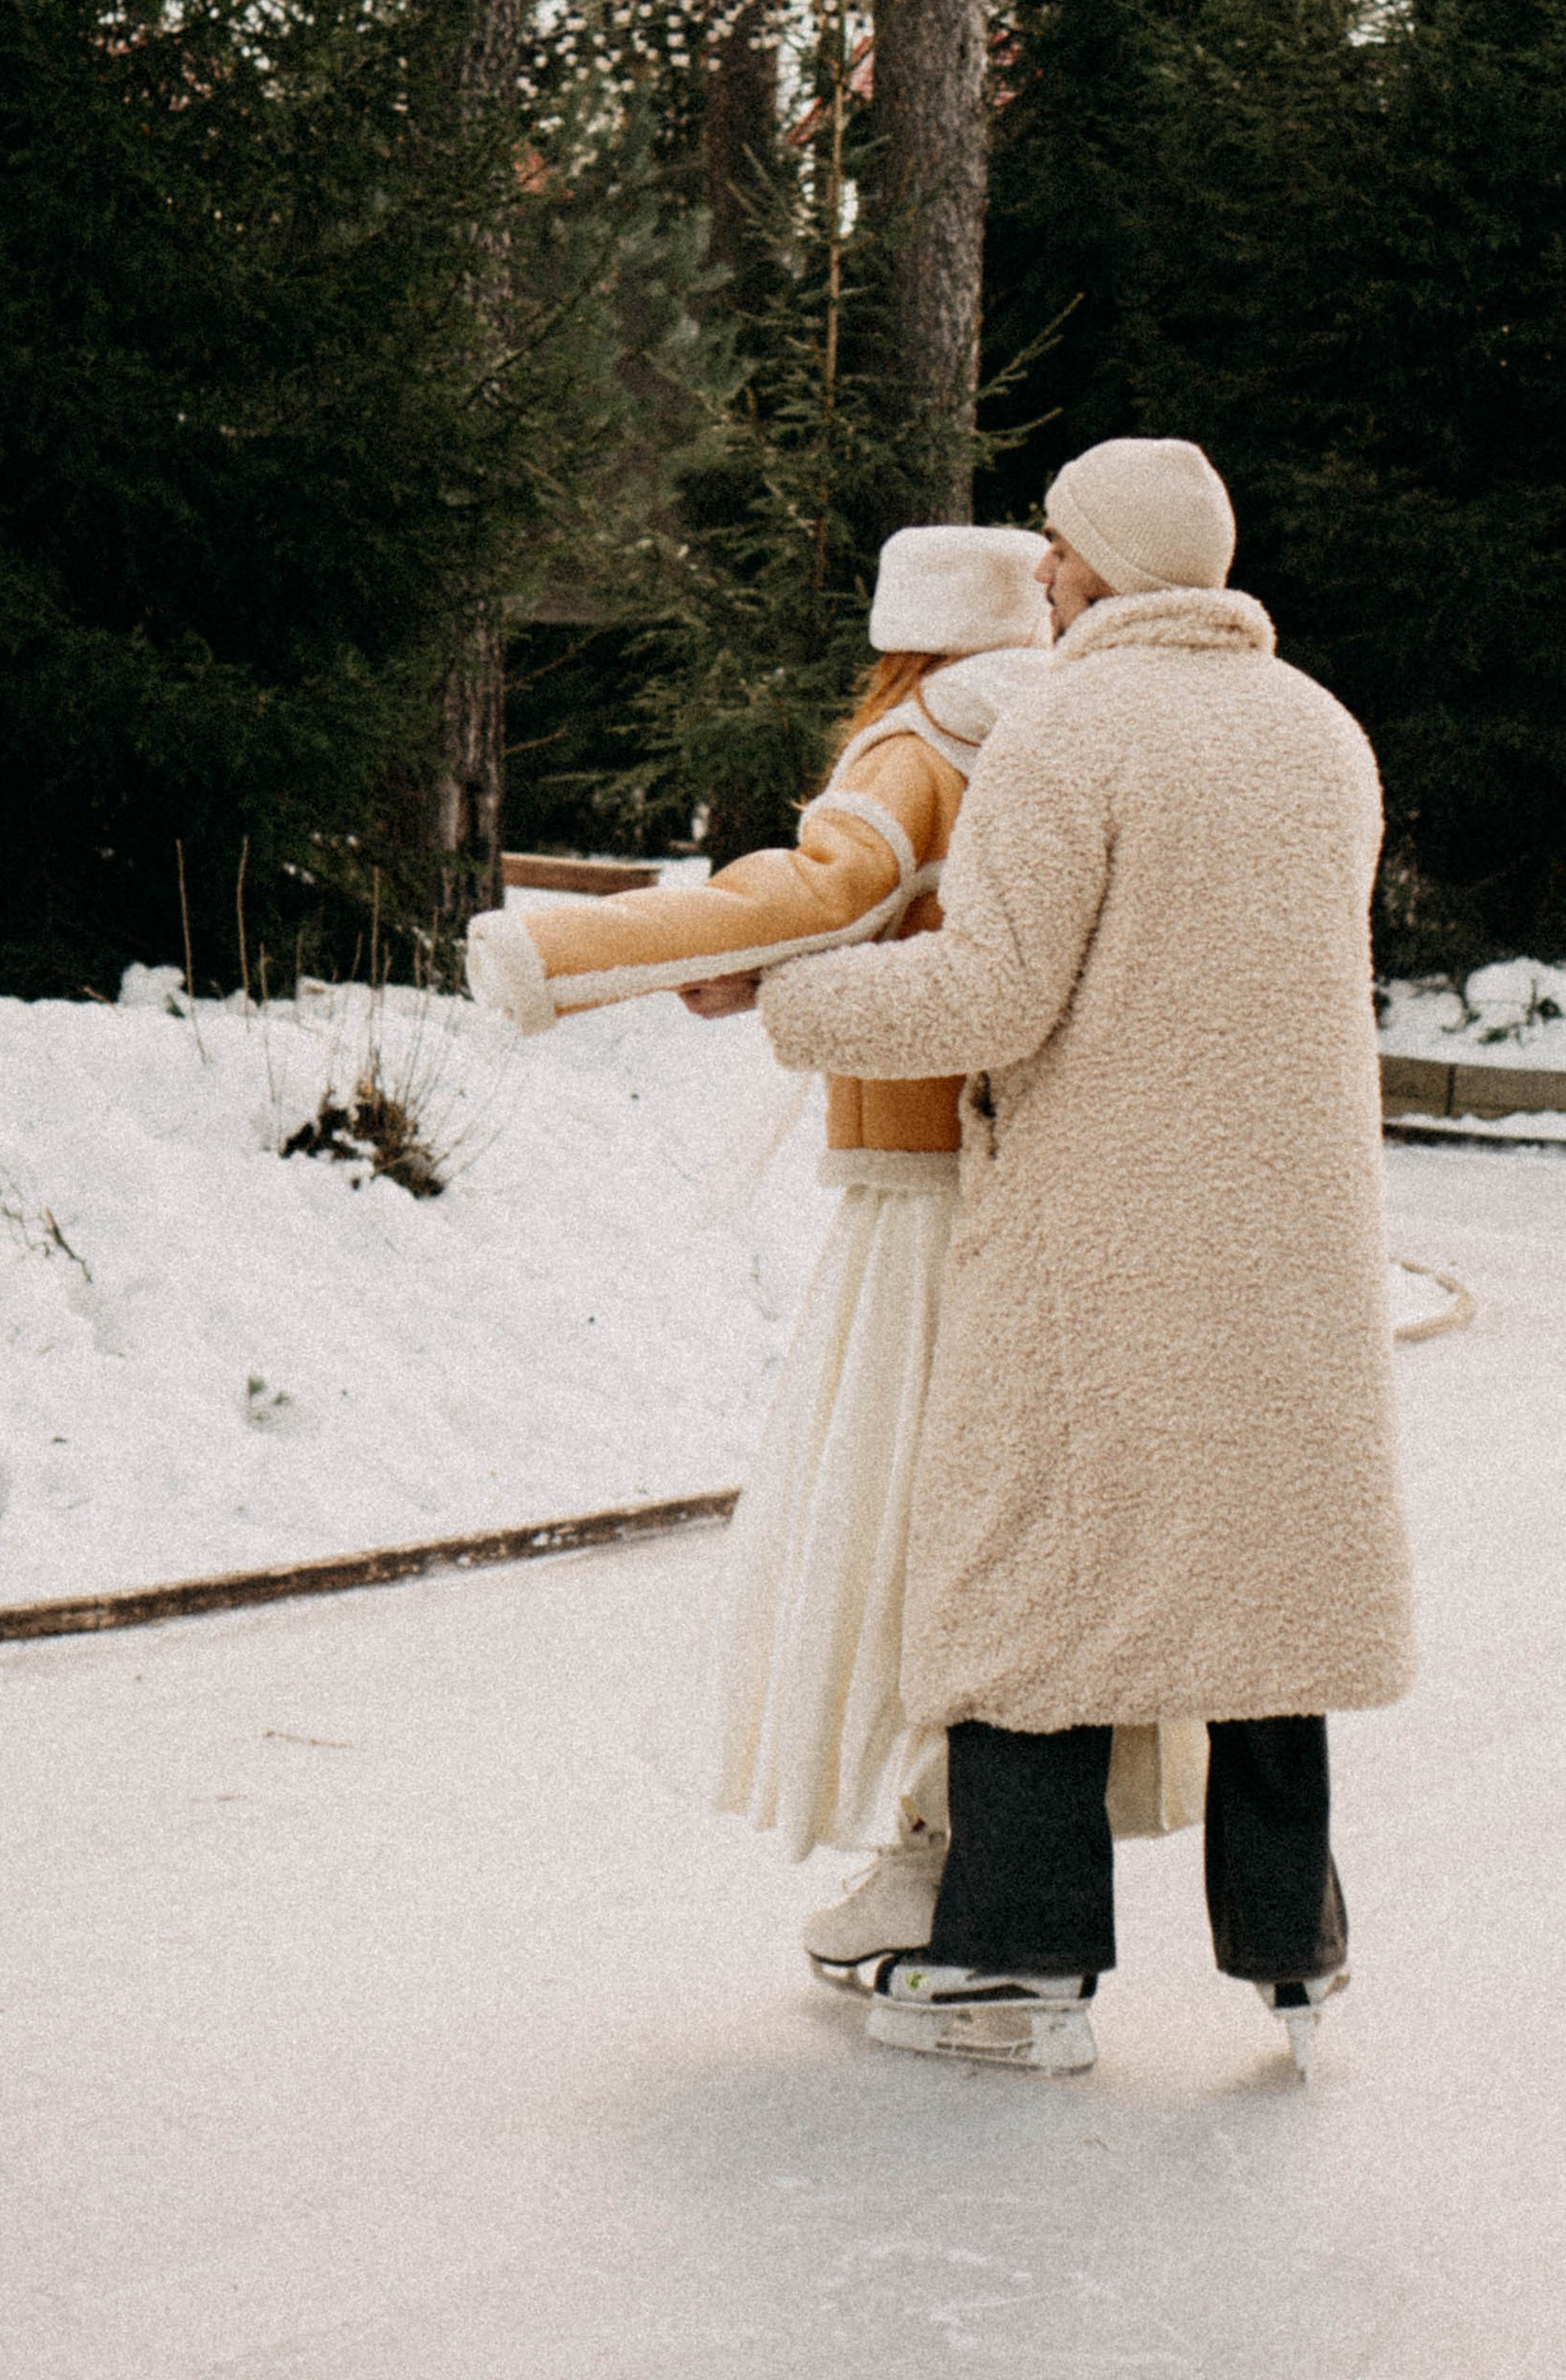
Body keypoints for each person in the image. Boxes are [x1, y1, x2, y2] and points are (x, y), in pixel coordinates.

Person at [707, 438, 1416, 2080]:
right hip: (1292, 1239)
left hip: (1101, 1236)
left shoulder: (1071, 730)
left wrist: (788, 1003)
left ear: (1102, 565)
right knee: (1269, 1588)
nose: (1039, 571)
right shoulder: (1322, 733)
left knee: (1031, 1576)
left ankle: (1016, 1965)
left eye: (1056, 546)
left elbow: (990, 993)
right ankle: (1292, 1951)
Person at [463, 524, 1204, 1977]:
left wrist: (566, 956)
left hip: (913, 1188)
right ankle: (977, 1850)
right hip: (1040, 1185)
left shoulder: (919, 743)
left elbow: (829, 893)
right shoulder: (1067, 736)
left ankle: (927, 1856)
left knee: (892, 1528)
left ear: (900, 633)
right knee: (1000, 1536)